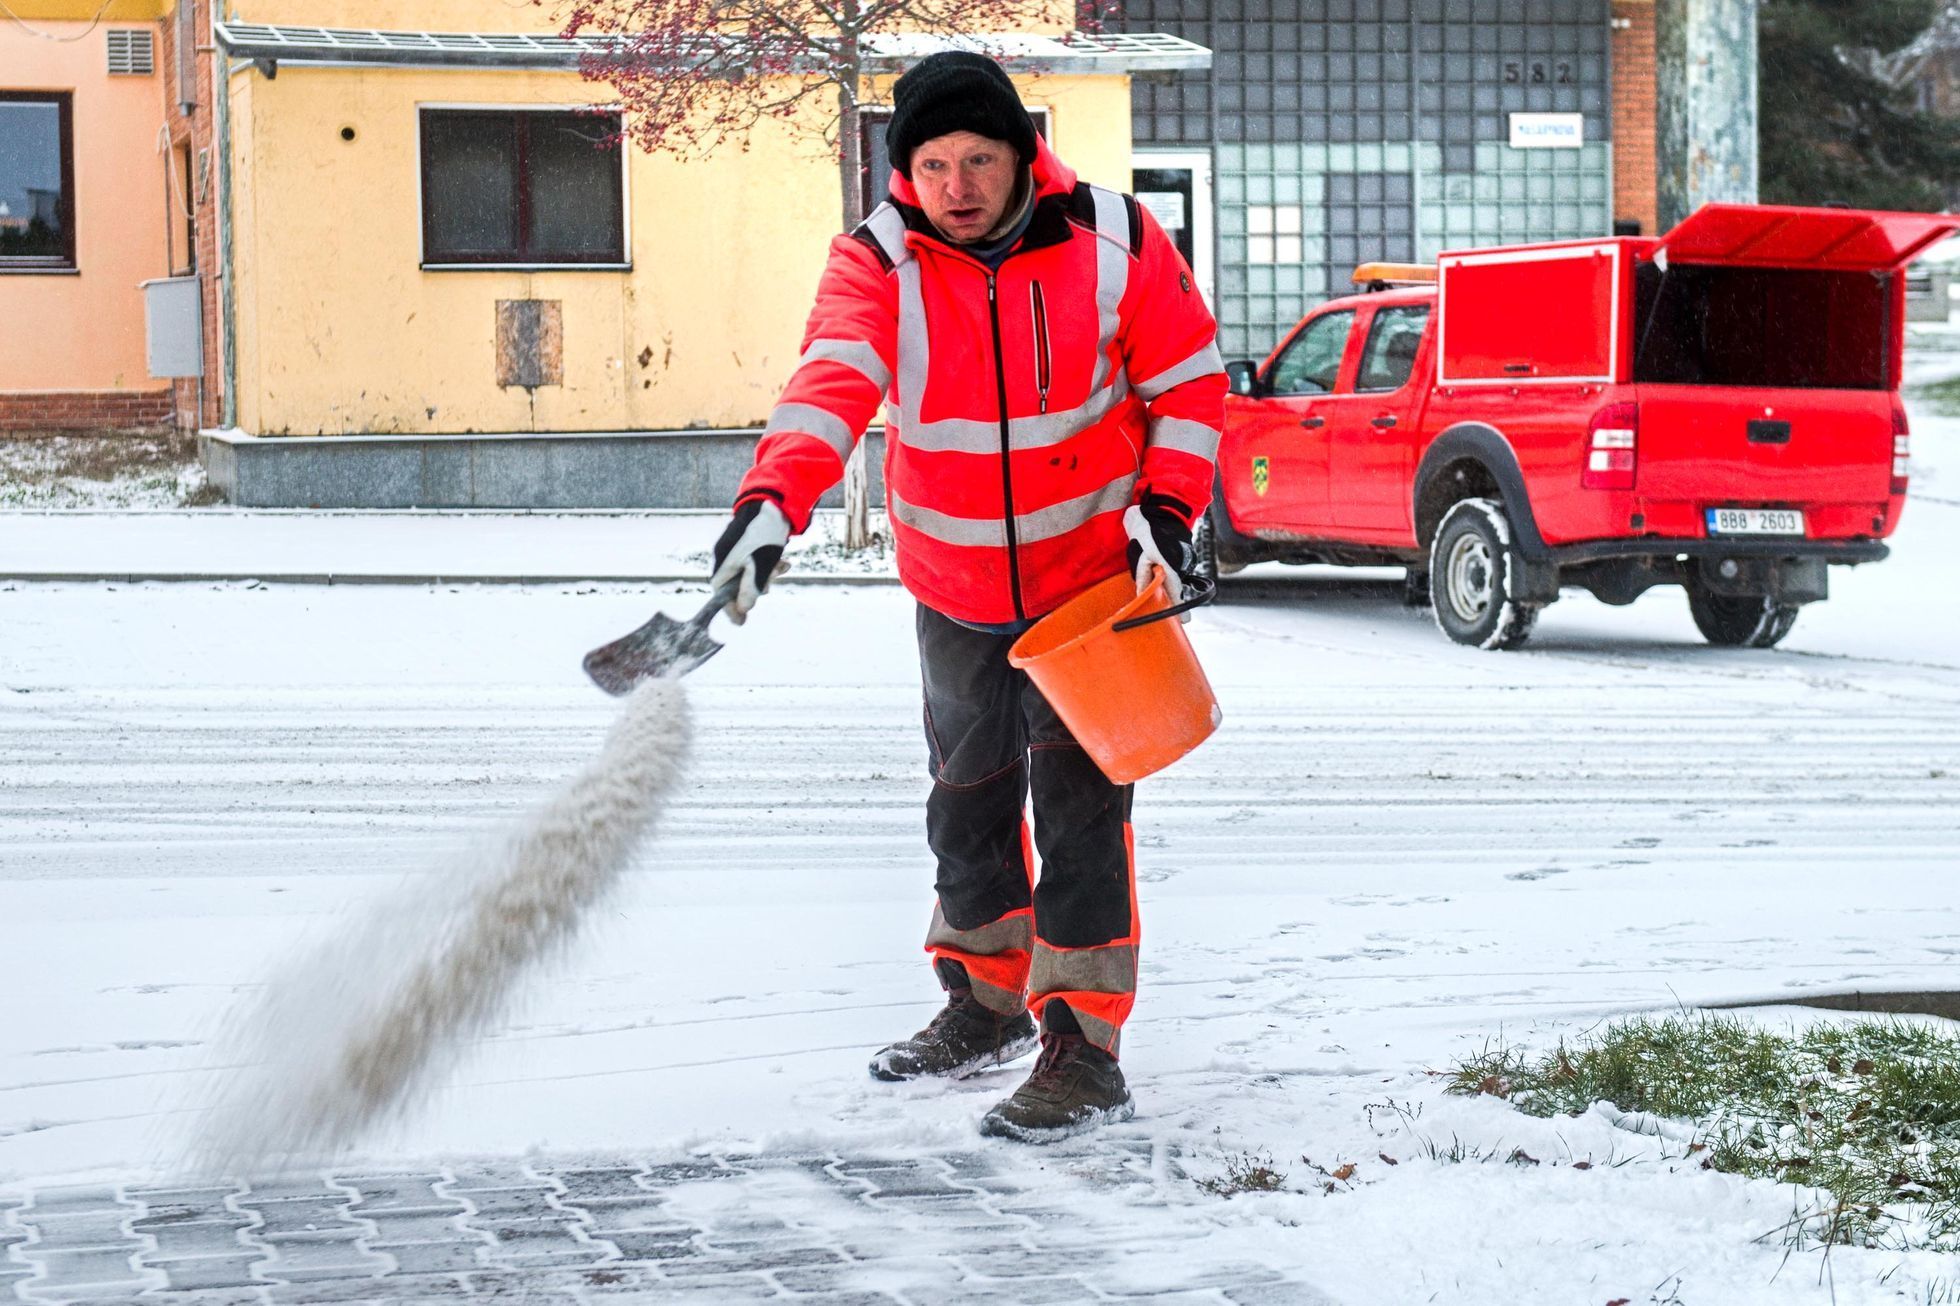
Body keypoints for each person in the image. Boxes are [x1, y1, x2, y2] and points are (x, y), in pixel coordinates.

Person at [708, 51, 1225, 1141]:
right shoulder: (877, 260)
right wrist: (771, 503)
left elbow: (1187, 381)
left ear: (1021, 152)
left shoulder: (1115, 236)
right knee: (965, 803)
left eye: (979, 159)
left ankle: (1081, 1045)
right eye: (933, 165)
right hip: (952, 586)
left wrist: (1170, 511)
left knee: (1081, 814)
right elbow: (830, 379)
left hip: (1088, 591)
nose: (956, 186)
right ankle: (985, 998)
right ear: (907, 171)